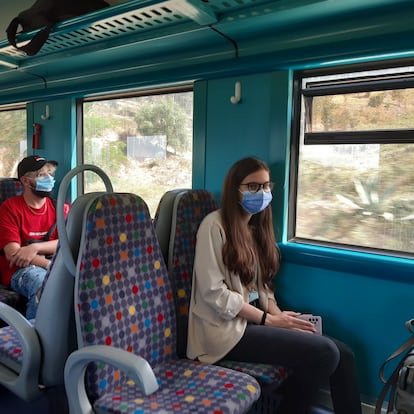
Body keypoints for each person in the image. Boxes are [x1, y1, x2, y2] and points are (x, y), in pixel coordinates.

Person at [187, 156, 362, 414]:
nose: (262, 192)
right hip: (222, 331)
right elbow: (214, 294)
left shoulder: (255, 227)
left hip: (252, 320)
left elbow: (262, 285)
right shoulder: (213, 226)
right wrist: (268, 320)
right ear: (235, 189)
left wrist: (278, 314)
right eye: (253, 186)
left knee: (344, 354)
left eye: (266, 186)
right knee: (325, 353)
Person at [0, 155, 69, 319]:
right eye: (41, 175)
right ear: (25, 180)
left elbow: (68, 242)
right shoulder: (9, 208)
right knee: (45, 285)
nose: (49, 179)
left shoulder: (61, 208)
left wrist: (34, 248)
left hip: (53, 264)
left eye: (50, 174)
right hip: (19, 270)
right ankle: (33, 341)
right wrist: (48, 264)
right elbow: (13, 253)